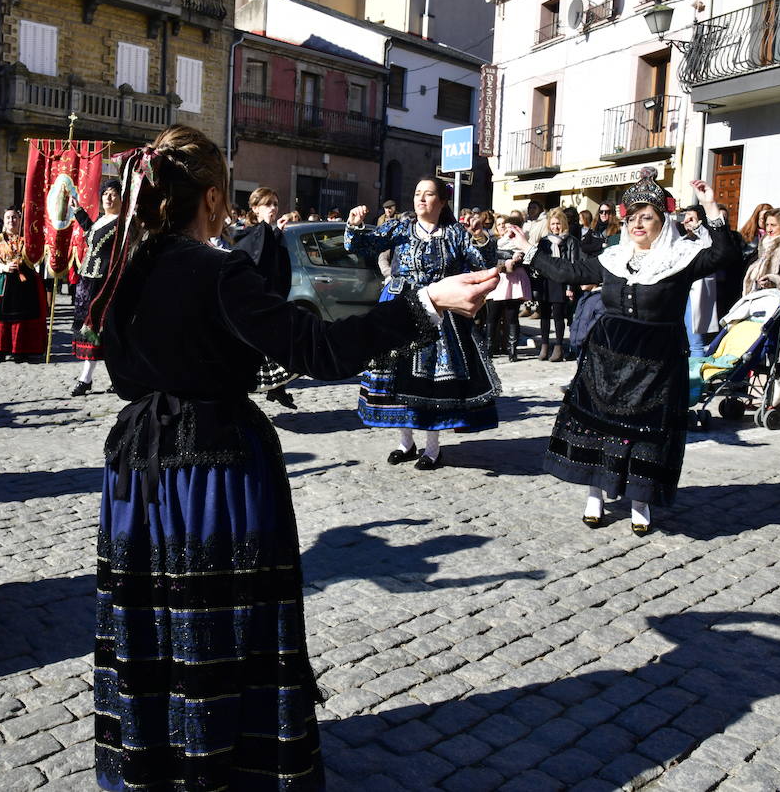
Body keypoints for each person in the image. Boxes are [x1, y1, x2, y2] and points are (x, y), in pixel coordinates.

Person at [84, 125, 496, 792]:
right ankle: (226, 763)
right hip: (214, 470)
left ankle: (156, 759)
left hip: (136, 467)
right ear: (215, 198)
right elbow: (318, 351)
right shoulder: (222, 272)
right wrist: (424, 303)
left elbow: (122, 370)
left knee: (150, 615)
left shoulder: (123, 270)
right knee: (222, 617)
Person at [506, 172, 738, 537]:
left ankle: (640, 500)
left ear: (663, 221)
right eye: (632, 217)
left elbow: (725, 253)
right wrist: (530, 247)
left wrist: (710, 206)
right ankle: (595, 493)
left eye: (647, 216)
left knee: (643, 434)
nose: (638, 224)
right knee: (600, 427)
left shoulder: (681, 258)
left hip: (657, 363)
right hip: (606, 358)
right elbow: (569, 271)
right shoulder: (614, 257)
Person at [344, 179, 501, 470]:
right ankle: (406, 443)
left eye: (429, 195)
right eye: (417, 194)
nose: (421, 199)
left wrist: (481, 237)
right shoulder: (400, 228)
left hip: (440, 311)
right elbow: (362, 245)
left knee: (431, 383)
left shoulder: (455, 234)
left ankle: (432, 448)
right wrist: (354, 225)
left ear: (442, 202)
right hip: (400, 307)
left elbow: (484, 263)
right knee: (395, 376)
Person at [231, 186, 298, 408]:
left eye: (276, 204)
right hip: (249, 304)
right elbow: (255, 260)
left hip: (270, 299)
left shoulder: (269, 232)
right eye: (268, 204)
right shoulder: (250, 233)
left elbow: (277, 265)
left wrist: (276, 232)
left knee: (272, 344)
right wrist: (273, 233)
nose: (273, 208)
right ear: (255, 209)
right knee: (247, 353)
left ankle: (276, 388)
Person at [70, 180, 122, 395]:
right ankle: (102, 378)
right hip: (87, 281)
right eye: (105, 194)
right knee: (91, 329)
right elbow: (92, 234)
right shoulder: (102, 219)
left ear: (121, 198)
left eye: (113, 194)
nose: (108, 198)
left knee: (101, 329)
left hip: (105, 283)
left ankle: (86, 379)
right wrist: (78, 211)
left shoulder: (124, 224)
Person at [0, 208, 47, 362]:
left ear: (20, 220)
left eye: (15, 217)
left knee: (25, 320)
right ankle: (1, 350)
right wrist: (3, 267)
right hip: (4, 283)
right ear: (4, 221)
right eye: (8, 218)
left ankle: (22, 350)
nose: (11, 220)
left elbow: (39, 258)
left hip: (26, 284)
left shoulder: (29, 239)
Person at [531, 207, 577, 362]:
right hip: (545, 280)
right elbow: (538, 262)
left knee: (558, 316)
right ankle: (544, 346)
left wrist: (570, 287)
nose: (555, 227)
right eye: (552, 224)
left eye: (558, 224)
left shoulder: (570, 241)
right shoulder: (544, 242)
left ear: (563, 223)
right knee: (544, 315)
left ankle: (558, 347)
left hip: (561, 281)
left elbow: (573, 265)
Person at [489, 214, 531, 362]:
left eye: (506, 226)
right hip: (497, 280)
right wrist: (508, 257)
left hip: (512, 281)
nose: (503, 228)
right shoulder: (494, 241)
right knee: (492, 316)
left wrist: (513, 258)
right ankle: (489, 348)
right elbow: (491, 257)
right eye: (500, 225)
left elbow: (523, 257)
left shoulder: (519, 241)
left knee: (512, 316)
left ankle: (512, 350)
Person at [680, 206, 720, 358]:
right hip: (679, 292)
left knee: (696, 342)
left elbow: (712, 248)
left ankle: (696, 379)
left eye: (691, 218)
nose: (686, 222)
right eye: (685, 218)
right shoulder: (681, 240)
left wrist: (698, 228)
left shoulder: (706, 239)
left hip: (695, 295)